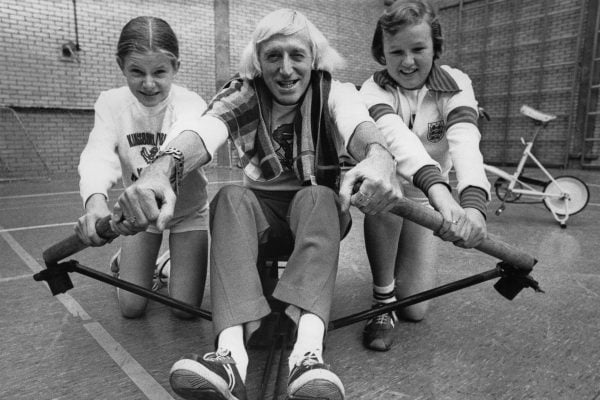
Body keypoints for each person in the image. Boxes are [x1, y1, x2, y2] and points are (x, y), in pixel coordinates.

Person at [114, 9, 467, 400]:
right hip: (259, 217)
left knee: (316, 196)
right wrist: (161, 168)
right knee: (230, 197)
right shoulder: (244, 94)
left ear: (313, 59)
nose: (285, 69)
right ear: (258, 62)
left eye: (296, 56)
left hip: (317, 214)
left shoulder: (336, 91)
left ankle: (308, 356)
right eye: (273, 57)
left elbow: (358, 125)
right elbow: (204, 128)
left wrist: (379, 158)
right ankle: (229, 358)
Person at [359, 0, 491, 352]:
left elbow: (465, 141)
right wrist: (443, 195)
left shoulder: (457, 82)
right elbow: (400, 143)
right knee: (384, 195)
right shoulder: (371, 90)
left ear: (436, 48)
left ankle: (398, 274)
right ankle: (382, 300)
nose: (407, 61)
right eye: (396, 51)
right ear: (381, 53)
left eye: (418, 49)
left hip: (426, 202)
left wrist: (474, 207)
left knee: (415, 309)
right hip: (391, 193)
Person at [75, 16, 209, 319]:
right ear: (121, 64)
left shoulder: (190, 103)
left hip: (187, 214)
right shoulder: (111, 103)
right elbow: (98, 153)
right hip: (139, 215)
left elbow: (188, 133)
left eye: (160, 72)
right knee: (132, 308)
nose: (148, 83)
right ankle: (128, 261)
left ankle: (162, 263)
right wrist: (95, 202)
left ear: (176, 67)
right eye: (136, 72)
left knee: (185, 311)